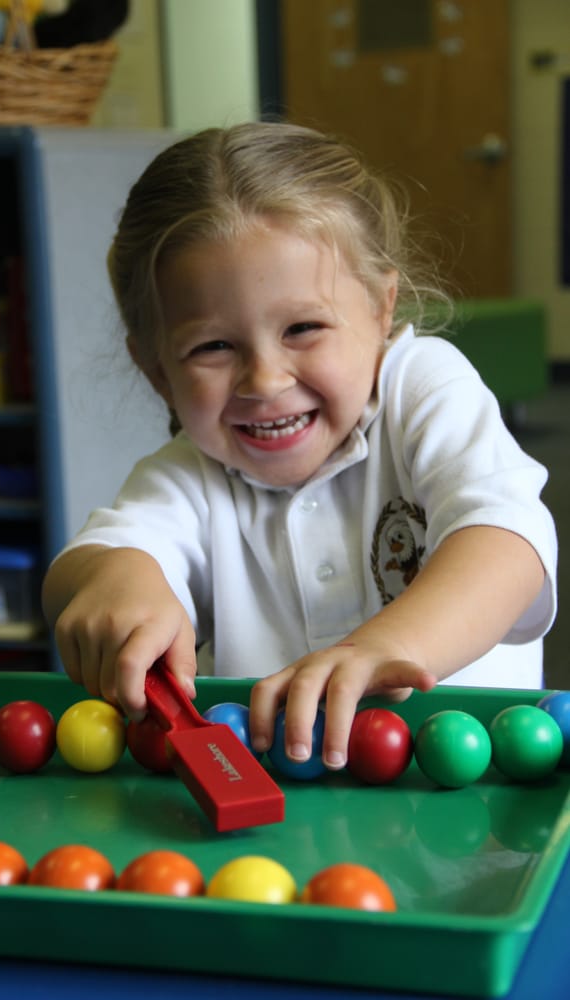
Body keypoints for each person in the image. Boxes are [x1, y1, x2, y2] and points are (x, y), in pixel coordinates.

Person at [42, 121, 557, 772]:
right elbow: (85, 568)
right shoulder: (187, 477)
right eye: (213, 347)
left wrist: (387, 645)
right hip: (283, 838)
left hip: (478, 817)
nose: (266, 380)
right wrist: (115, 579)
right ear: (155, 371)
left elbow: (506, 540)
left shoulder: (425, 387)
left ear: (380, 308)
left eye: (304, 328)